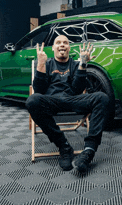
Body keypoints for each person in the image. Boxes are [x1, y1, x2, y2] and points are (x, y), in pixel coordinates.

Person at [26, 35, 109, 173]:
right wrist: (40, 64)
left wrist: (83, 64)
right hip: (52, 101)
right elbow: (39, 91)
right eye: (58, 43)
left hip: (73, 100)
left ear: (69, 48)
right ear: (53, 48)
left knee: (102, 97)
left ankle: (89, 151)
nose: (62, 45)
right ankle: (63, 146)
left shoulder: (76, 64)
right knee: (32, 101)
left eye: (65, 43)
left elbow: (78, 89)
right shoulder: (46, 64)